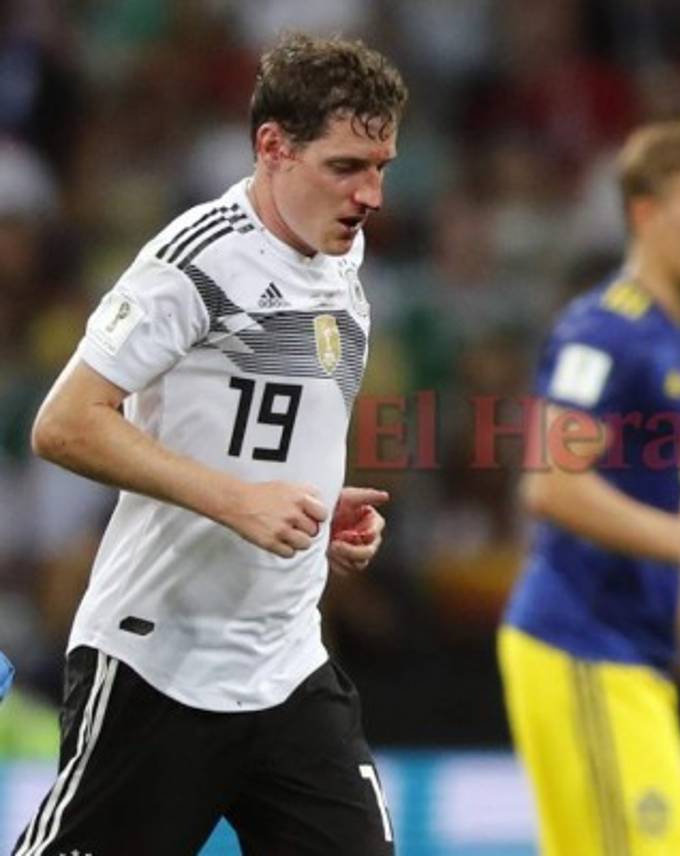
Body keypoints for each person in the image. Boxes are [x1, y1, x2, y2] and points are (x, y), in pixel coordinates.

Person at [13, 33, 406, 856]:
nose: (370, 195)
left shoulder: (341, 250)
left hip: (286, 666)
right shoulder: (195, 261)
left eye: (380, 167)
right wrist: (237, 502)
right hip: (159, 664)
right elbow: (66, 423)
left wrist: (315, 503)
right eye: (345, 167)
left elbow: (264, 421)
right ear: (273, 147)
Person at [498, 120, 680, 855]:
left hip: (630, 655)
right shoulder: (605, 330)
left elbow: (658, 506)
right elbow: (551, 483)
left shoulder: (672, 342)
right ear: (647, 213)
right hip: (581, 642)